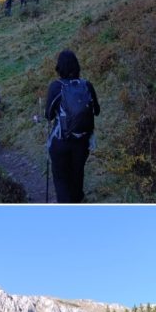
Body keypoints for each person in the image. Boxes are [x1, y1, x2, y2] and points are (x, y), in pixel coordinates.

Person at [45, 49, 100, 203]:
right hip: (82, 141)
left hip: (61, 142)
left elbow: (48, 115)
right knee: (77, 176)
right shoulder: (87, 85)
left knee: (61, 179)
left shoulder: (56, 87)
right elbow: (97, 111)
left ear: (59, 67)